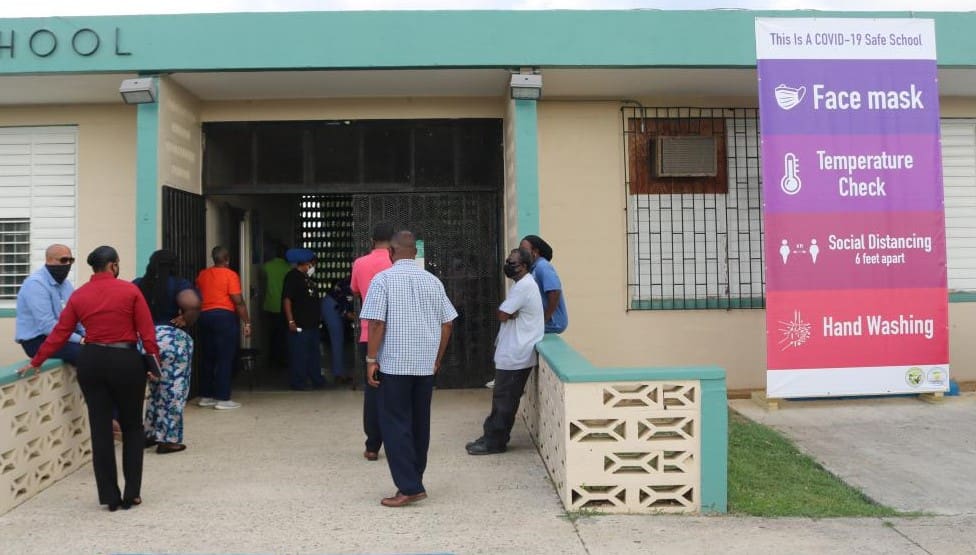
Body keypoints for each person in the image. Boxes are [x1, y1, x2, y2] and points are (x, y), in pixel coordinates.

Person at [18, 246, 159, 512]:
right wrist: (154, 363)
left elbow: (59, 332)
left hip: (91, 361)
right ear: (114, 265)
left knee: (100, 428)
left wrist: (37, 361)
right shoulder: (130, 291)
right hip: (125, 361)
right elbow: (147, 333)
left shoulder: (80, 294)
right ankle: (132, 494)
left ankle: (109, 496)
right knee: (132, 427)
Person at [361, 230, 458, 508]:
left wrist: (371, 360)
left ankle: (409, 487)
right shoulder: (433, 281)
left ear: (391, 252)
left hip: (394, 365)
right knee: (419, 424)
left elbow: (377, 324)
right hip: (424, 366)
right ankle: (415, 478)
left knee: (394, 424)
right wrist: (437, 358)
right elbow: (448, 324)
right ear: (414, 252)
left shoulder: (383, 280)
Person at [466, 248, 544, 455]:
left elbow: (501, 314)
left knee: (505, 400)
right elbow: (506, 313)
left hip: (517, 354)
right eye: (508, 261)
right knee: (502, 398)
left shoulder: (524, 287)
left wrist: (509, 313)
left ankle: (495, 442)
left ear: (525, 266)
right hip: (514, 352)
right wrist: (510, 313)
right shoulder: (522, 285)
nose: (509, 266)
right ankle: (490, 435)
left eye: (514, 263)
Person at [135, 249, 201, 454]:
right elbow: (193, 303)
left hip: (143, 341)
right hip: (171, 340)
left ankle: (149, 433)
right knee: (172, 390)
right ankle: (168, 439)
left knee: (153, 390)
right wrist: (186, 318)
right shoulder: (178, 284)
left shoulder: (138, 284)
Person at [350, 222, 394, 461]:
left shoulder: (360, 263)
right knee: (396, 389)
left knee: (373, 390)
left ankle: (372, 446)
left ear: (371, 240)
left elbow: (355, 290)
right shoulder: (395, 264)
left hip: (369, 335)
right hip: (395, 336)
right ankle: (397, 440)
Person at [195, 246, 251, 410]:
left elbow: (197, 294)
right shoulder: (230, 275)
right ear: (227, 259)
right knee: (225, 357)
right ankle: (223, 398)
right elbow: (238, 301)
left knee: (208, 357)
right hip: (224, 318)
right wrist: (247, 322)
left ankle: (206, 396)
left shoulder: (203, 274)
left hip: (204, 316)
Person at [15, 243, 84, 364]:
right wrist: (80, 339)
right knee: (86, 354)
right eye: (63, 260)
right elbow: (47, 326)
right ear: (49, 260)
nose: (67, 264)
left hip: (63, 335)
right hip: (37, 340)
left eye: (70, 260)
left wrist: (87, 335)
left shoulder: (66, 284)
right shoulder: (35, 284)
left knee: (99, 349)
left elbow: (76, 315)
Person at [282, 247, 324, 390]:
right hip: (299, 324)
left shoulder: (307, 278)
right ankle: (298, 382)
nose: (313, 266)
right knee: (299, 354)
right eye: (312, 263)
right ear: (306, 263)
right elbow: (287, 300)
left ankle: (316, 380)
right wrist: (291, 321)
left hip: (311, 324)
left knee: (313, 355)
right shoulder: (292, 277)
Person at [519, 235, 568, 334]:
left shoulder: (543, 266)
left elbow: (554, 291)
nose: (520, 254)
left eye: (523, 250)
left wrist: (545, 319)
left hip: (552, 323)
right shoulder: (533, 268)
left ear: (535, 252)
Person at [260, 242, 291, 368]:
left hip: (270, 305)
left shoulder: (267, 266)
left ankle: (271, 359)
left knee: (271, 334)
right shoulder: (288, 268)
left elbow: (261, 282)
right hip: (283, 306)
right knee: (283, 335)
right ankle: (281, 360)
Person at [321, 276, 354, 385]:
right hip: (332, 306)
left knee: (341, 340)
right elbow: (342, 300)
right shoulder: (348, 283)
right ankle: (338, 374)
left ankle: (342, 372)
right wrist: (347, 313)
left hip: (337, 305)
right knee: (337, 340)